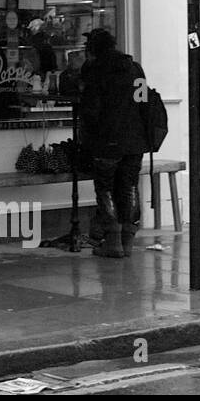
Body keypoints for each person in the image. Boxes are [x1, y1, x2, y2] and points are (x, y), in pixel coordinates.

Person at [79, 28, 149, 258]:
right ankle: (128, 239)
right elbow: (143, 100)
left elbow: (91, 109)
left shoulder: (96, 70)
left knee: (106, 187)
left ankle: (112, 241)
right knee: (129, 184)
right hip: (135, 139)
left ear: (93, 49)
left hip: (107, 139)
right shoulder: (134, 68)